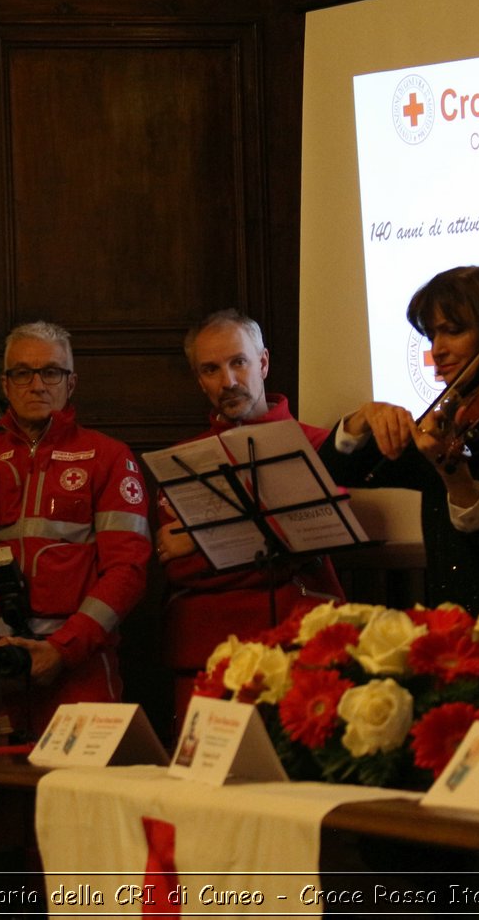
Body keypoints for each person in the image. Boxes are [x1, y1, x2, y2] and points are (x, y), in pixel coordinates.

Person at [319, 265, 479, 630]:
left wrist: (453, 473)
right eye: (432, 335)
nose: (437, 350)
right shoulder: (453, 424)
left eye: (453, 332)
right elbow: (339, 472)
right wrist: (361, 420)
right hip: (457, 639)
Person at [0, 322, 151, 732]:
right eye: (23, 373)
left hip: (79, 668)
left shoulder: (109, 457)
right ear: (5, 383)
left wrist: (63, 649)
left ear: (71, 383)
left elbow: (128, 571)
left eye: (51, 372)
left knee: (82, 791)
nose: (37, 385)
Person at [155, 311, 344, 728]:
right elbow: (178, 565)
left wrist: (201, 539)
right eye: (211, 369)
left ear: (262, 363)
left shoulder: (317, 445)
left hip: (301, 651)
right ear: (198, 379)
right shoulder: (181, 460)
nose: (228, 381)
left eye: (238, 362)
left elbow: (322, 530)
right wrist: (274, 548)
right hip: (205, 656)